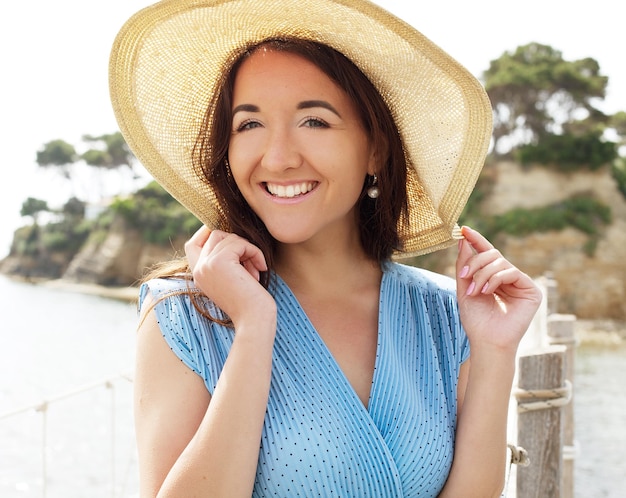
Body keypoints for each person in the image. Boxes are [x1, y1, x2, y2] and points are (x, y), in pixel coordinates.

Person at [109, 1, 542, 496]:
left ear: (375, 148)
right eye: (249, 125)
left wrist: (495, 352)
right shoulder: (184, 315)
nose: (278, 157)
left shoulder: (447, 315)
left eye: (314, 121)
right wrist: (254, 327)